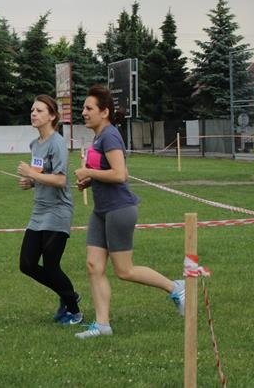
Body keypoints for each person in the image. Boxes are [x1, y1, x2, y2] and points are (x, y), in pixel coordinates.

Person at [72, 84, 184, 339]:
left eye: (89, 108)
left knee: (124, 270)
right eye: (84, 108)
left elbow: (120, 174)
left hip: (119, 209)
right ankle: (102, 325)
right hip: (101, 211)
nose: (84, 113)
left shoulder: (110, 136)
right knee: (93, 265)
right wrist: (89, 181)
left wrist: (89, 172)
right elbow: (113, 171)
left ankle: (175, 287)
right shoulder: (99, 136)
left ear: (104, 112)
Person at [16, 94, 83, 325]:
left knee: (51, 266)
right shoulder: (35, 145)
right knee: (27, 264)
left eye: (39, 110)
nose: (33, 114)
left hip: (58, 210)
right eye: (32, 110)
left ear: (52, 116)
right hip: (39, 212)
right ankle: (70, 295)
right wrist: (31, 181)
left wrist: (31, 174)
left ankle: (74, 311)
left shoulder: (57, 143)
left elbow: (61, 180)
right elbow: (43, 174)